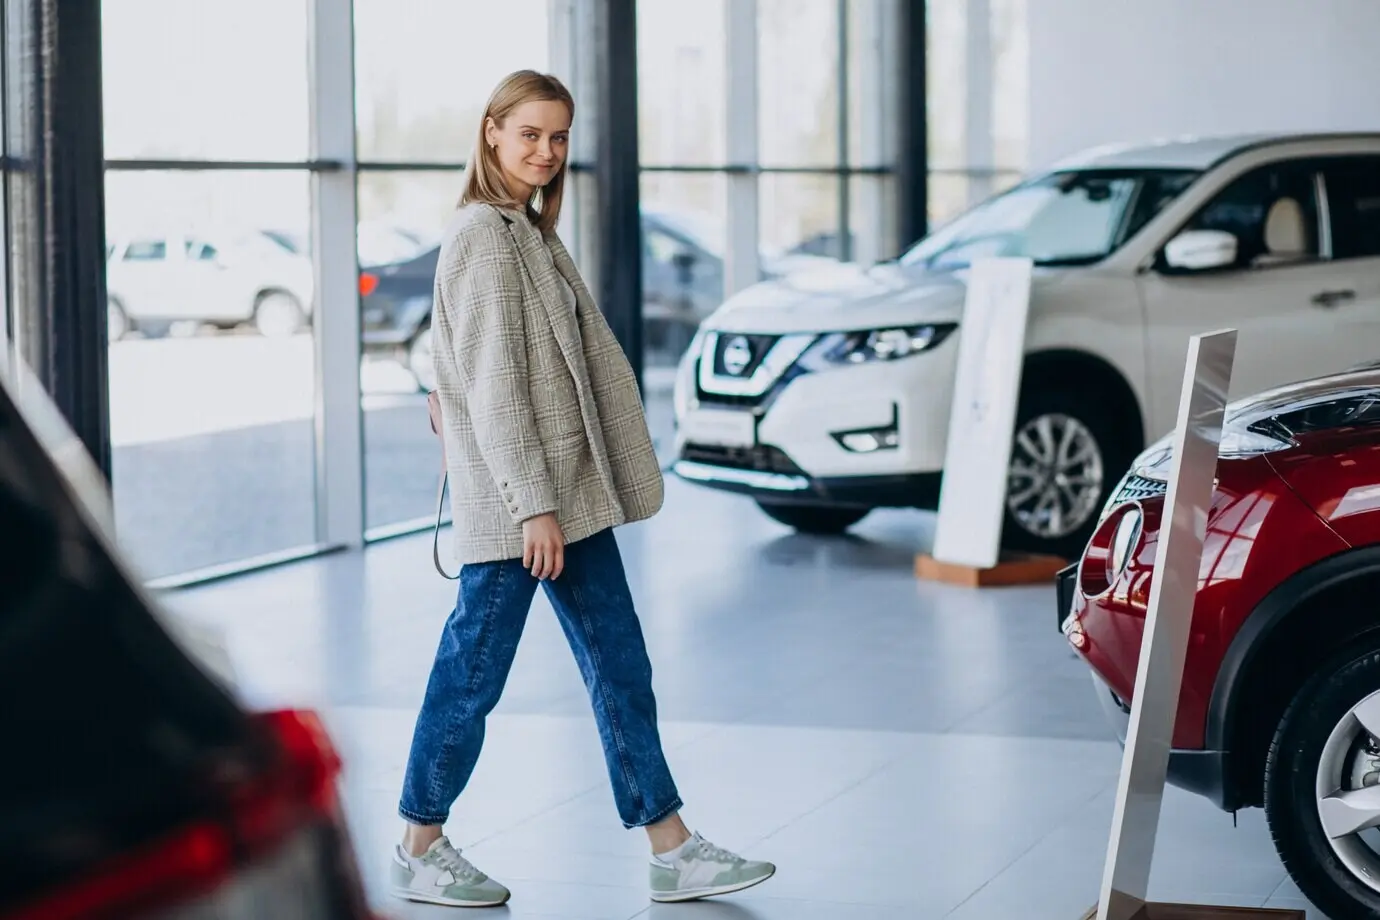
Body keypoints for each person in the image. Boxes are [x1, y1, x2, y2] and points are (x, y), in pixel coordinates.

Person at [388, 69, 776, 909]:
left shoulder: (522, 228)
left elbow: (465, 354)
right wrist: (532, 502)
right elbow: (497, 383)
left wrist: (445, 391)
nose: (546, 152)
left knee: (618, 663)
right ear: (491, 131)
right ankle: (420, 842)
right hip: (524, 508)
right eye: (529, 133)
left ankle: (670, 845)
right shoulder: (486, 235)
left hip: (567, 498)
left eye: (559, 137)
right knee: (474, 672)